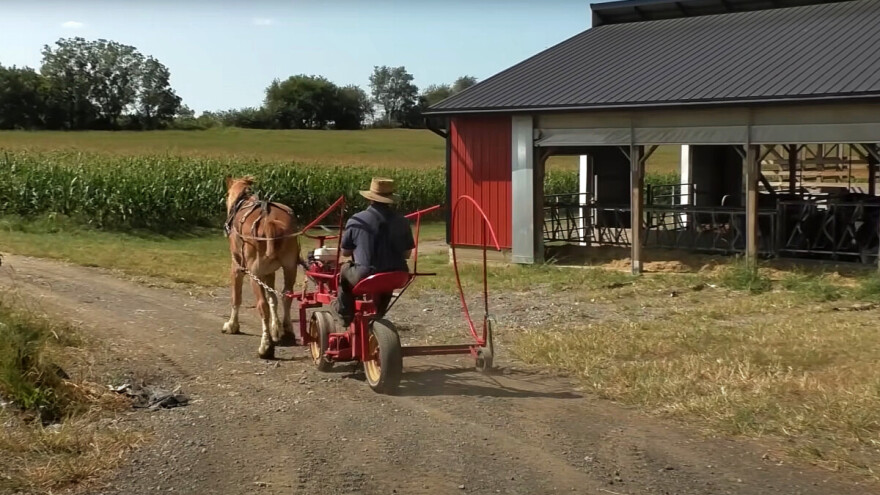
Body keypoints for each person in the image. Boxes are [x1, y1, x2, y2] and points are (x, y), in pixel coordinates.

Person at [332, 177, 415, 326]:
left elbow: (345, 252)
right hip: (399, 274)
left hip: (366, 274)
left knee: (344, 270)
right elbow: (407, 254)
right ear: (390, 199)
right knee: (387, 278)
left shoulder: (357, 220)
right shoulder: (402, 221)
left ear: (370, 199)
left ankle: (345, 314)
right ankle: (379, 313)